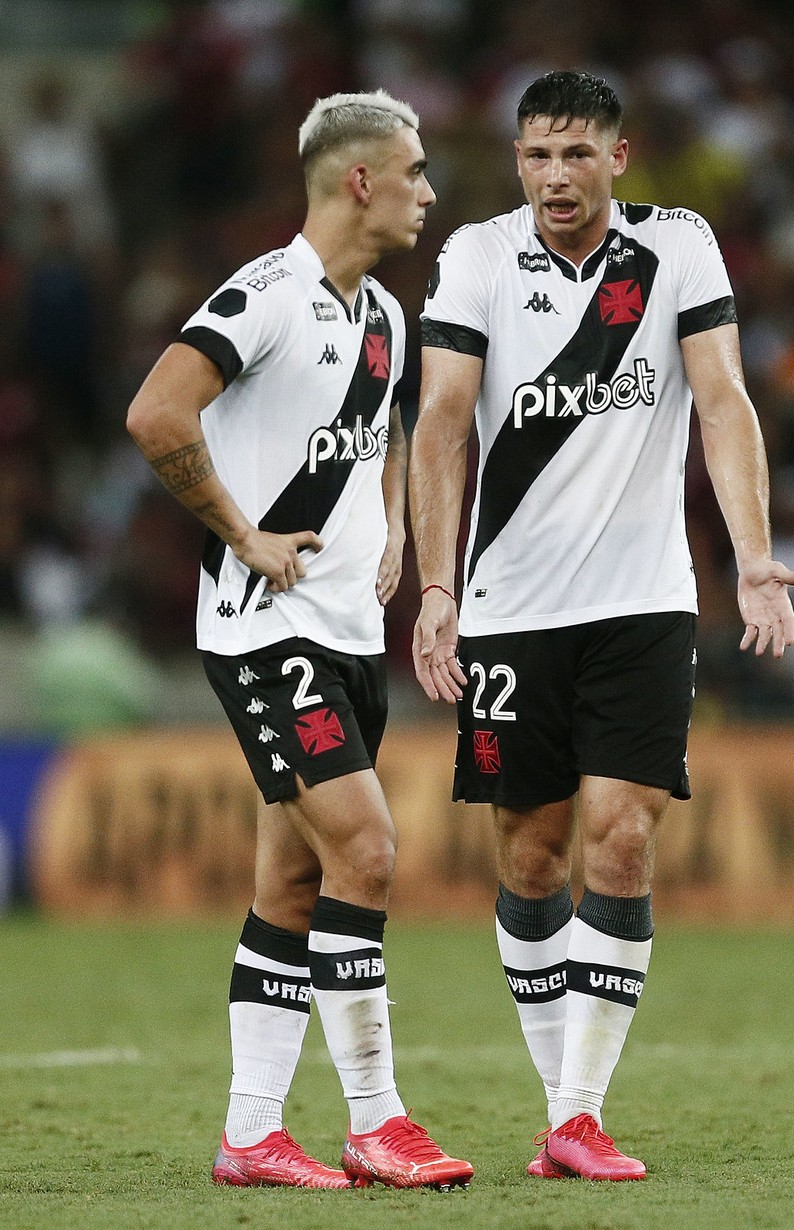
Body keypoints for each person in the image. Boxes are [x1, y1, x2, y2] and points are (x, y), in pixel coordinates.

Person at [409, 70, 794, 1182]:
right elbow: (441, 421)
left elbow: (721, 398)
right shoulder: (479, 258)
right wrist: (436, 589)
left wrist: (751, 557)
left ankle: (579, 1115)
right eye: (536, 155)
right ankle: (558, 1103)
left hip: (643, 600)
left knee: (623, 836)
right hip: (509, 606)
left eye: (576, 154)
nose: (555, 176)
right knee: (531, 854)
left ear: (618, 160)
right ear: (516, 161)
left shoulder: (679, 246)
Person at [127, 90, 473, 1193]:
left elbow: (375, 435)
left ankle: (251, 1136)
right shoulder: (263, 296)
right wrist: (245, 534)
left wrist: (391, 541)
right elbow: (157, 414)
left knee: (290, 886)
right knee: (367, 853)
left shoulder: (383, 314)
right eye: (413, 171)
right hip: (262, 626)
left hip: (343, 631)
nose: (428, 191)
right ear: (358, 180)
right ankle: (376, 1118)